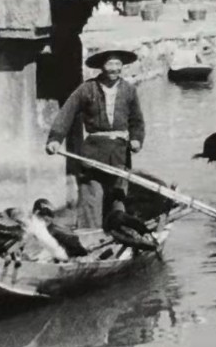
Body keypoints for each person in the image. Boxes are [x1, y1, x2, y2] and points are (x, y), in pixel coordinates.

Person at [45, 49, 145, 230]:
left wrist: (137, 139)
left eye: (117, 64)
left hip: (119, 153)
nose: (114, 69)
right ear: (101, 67)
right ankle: (89, 235)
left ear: (122, 66)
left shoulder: (129, 90)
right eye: (109, 64)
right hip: (93, 153)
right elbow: (67, 112)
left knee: (118, 195)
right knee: (91, 194)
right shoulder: (87, 89)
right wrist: (55, 138)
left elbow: (137, 120)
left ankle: (119, 230)